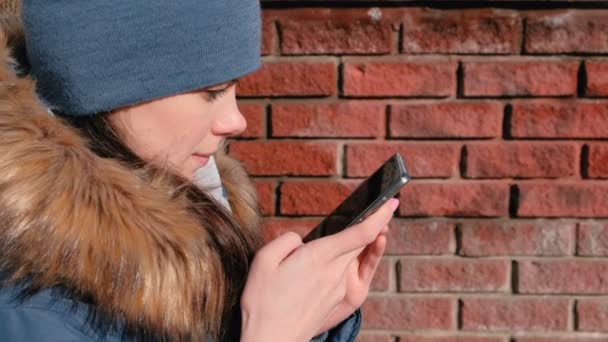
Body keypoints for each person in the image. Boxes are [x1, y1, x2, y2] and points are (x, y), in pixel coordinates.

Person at [0, 1, 398, 341]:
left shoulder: (199, 205)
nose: (236, 120)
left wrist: (313, 320)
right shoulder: (31, 317)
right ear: (109, 87)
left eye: (234, 88)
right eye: (211, 91)